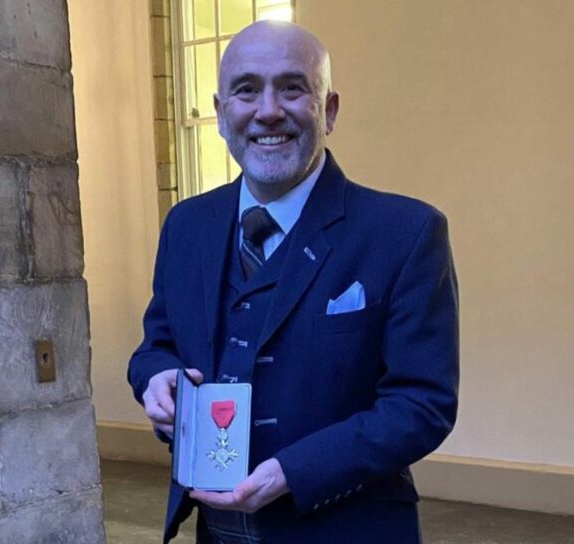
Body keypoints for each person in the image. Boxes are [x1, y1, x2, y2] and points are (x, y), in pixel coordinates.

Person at [128, 20, 459, 544]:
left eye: (291, 87)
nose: (267, 111)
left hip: (346, 529)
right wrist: (155, 379)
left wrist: (295, 472)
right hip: (215, 531)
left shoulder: (406, 232)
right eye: (246, 90)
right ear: (219, 113)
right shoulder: (186, 227)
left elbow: (422, 403)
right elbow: (156, 345)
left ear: (327, 110)